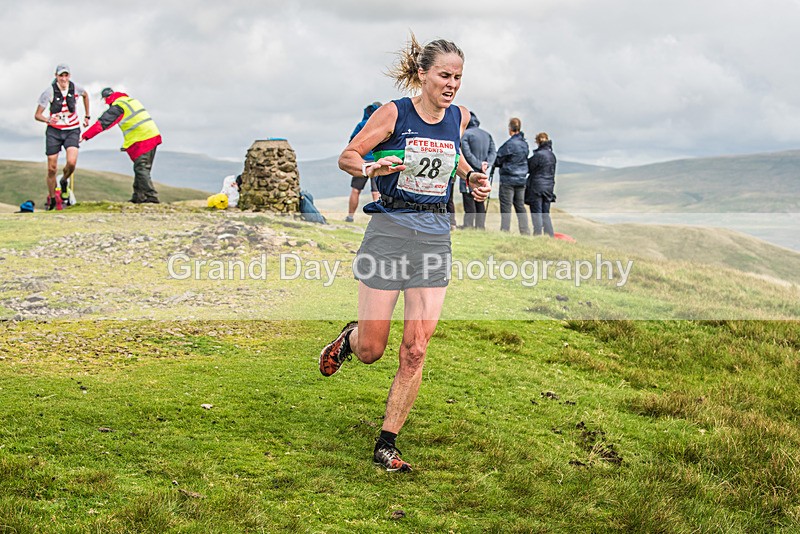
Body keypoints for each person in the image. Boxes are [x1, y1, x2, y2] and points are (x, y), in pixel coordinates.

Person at [319, 34, 491, 472]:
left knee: (415, 349)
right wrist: (369, 166)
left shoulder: (461, 117)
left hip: (434, 235)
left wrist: (471, 178)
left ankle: (387, 442)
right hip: (390, 231)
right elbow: (348, 155)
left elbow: (456, 161)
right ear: (423, 74)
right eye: (444, 75)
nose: (451, 84)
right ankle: (351, 337)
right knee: (373, 349)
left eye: (458, 77)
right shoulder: (394, 113)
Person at [80, 87, 162, 204]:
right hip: (152, 135)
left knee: (141, 168)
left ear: (106, 99)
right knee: (141, 168)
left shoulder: (118, 107)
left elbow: (102, 123)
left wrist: (85, 135)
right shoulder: (131, 101)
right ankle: (138, 196)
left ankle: (151, 197)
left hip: (142, 139)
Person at [34, 64, 90, 211]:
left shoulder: (76, 88)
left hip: (72, 129)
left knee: (71, 162)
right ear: (56, 76)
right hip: (54, 131)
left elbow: (86, 95)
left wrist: (87, 116)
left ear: (69, 76)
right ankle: (53, 198)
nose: (64, 78)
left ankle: (64, 181)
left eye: (66, 75)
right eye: (61, 76)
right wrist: (47, 119)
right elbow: (37, 115)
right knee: (51, 169)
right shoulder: (49, 92)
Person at [492, 118, 530, 234]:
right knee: (520, 206)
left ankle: (505, 230)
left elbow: (498, 159)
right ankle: (525, 231)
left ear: (510, 129)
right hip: (521, 179)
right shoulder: (525, 144)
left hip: (508, 179)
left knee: (506, 207)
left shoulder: (509, 144)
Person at [345, 102, 382, 222]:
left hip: (361, 162)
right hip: (377, 161)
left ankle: (350, 217)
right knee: (376, 191)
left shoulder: (361, 125)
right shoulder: (381, 124)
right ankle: (378, 219)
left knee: (356, 190)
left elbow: (352, 142)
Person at [459, 111, 496, 229]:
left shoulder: (465, 134)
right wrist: (486, 164)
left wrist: (478, 164)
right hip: (483, 173)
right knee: (481, 201)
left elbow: (465, 153)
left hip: (467, 172)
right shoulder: (487, 135)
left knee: (469, 201)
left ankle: (468, 226)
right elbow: (493, 152)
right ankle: (480, 227)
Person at [525, 132, 557, 237]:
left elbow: (528, 168)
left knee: (536, 212)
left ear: (537, 142)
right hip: (549, 187)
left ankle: (537, 234)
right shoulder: (552, 156)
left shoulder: (538, 155)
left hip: (536, 187)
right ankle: (549, 235)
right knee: (545, 213)